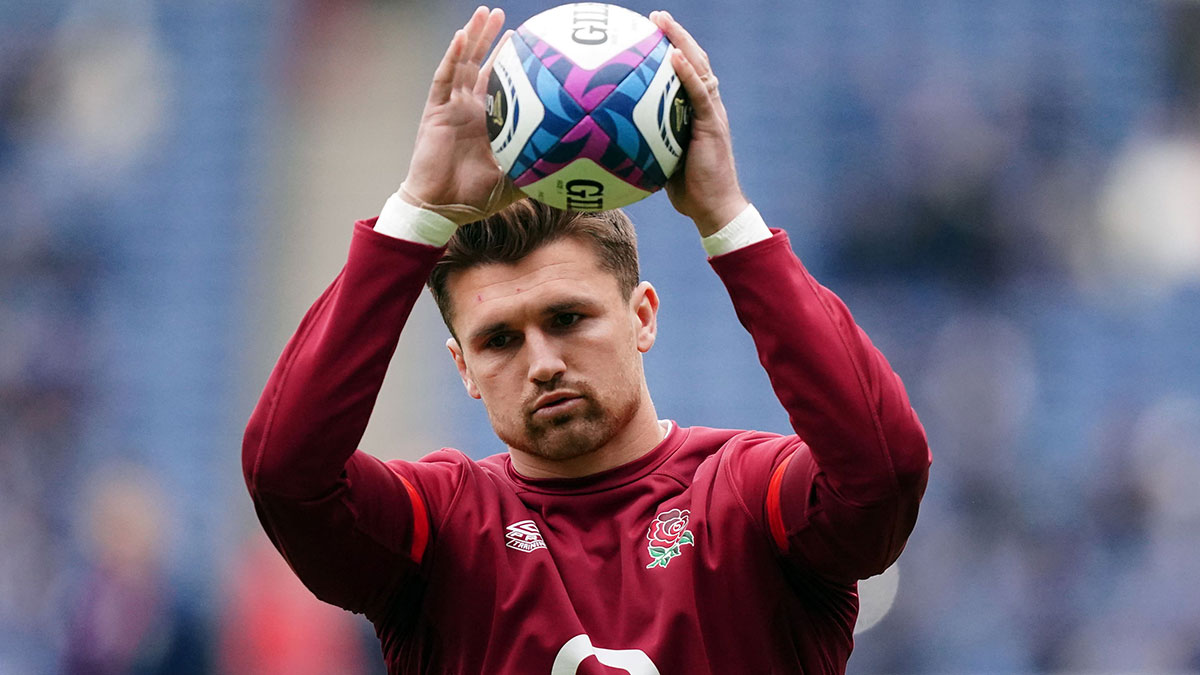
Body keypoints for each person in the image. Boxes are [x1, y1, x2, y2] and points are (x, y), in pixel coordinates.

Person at [242, 6, 931, 674]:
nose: (542, 362)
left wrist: (730, 221)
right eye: (500, 340)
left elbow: (884, 475)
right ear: (463, 368)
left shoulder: (747, 498)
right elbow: (286, 475)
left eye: (569, 318)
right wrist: (415, 215)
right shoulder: (443, 528)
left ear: (643, 317)